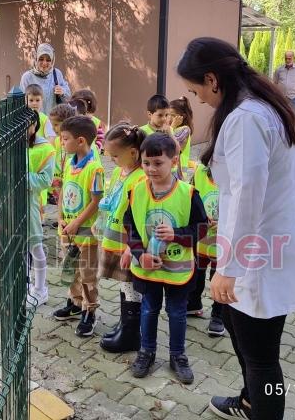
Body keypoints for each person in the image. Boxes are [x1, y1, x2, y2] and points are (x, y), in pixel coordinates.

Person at [178, 37, 295, 420]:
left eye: (196, 90)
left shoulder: (246, 118)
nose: (199, 99)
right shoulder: (257, 107)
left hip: (258, 254)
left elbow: (247, 194)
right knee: (246, 343)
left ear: (213, 79)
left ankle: (262, 406)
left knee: (262, 360)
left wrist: (229, 269)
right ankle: (250, 402)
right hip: (261, 246)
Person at [125, 133, 206, 384]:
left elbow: (202, 228)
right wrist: (140, 255)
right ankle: (146, 352)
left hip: (178, 270)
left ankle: (177, 356)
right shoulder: (136, 191)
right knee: (149, 310)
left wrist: (177, 235)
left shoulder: (189, 193)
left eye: (158, 163)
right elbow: (131, 227)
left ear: (174, 160)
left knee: (177, 312)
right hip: (148, 269)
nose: (151, 169)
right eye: (146, 163)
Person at [97, 123, 147, 353]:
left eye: (116, 156)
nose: (113, 160)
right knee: (124, 283)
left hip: (129, 245)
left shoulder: (140, 179)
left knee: (131, 285)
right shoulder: (120, 171)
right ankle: (124, 325)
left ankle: (130, 333)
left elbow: (140, 216)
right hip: (115, 239)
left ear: (133, 153)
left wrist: (131, 247)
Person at [52, 116, 104, 338]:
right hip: (67, 230)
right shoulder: (68, 161)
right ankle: (74, 303)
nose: (61, 142)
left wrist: (76, 223)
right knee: (70, 268)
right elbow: (64, 190)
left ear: (81, 140)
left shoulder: (95, 169)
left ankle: (89, 311)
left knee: (87, 274)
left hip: (85, 233)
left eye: (65, 139)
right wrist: (62, 216)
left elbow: (96, 201)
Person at [187, 163, 226, 337]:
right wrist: (200, 214)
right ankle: (193, 303)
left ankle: (218, 315)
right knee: (197, 272)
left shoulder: (236, 176)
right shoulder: (200, 172)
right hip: (201, 239)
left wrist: (225, 221)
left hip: (223, 243)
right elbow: (190, 198)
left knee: (219, 278)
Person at [27, 112, 56, 308]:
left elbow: (46, 180)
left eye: (26, 125)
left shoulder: (45, 148)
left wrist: (20, 177)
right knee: (18, 245)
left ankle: (40, 289)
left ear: (35, 125)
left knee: (35, 244)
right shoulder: (11, 144)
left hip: (31, 202)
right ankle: (27, 284)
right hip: (11, 201)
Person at [20, 43, 71, 114]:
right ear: (36, 58)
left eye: (48, 60)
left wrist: (62, 91)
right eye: (41, 59)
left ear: (52, 61)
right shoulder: (27, 77)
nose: (44, 63)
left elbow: (68, 93)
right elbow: (21, 102)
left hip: (53, 121)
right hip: (34, 121)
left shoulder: (56, 73)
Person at [47, 103, 78, 207]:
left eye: (56, 125)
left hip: (72, 181)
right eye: (52, 125)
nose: (53, 128)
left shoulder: (75, 143)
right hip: (58, 181)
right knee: (61, 202)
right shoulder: (55, 141)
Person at [273, 50, 295, 119]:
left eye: (289, 58)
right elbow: (275, 83)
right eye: (286, 58)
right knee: (282, 119)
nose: (287, 60)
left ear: (294, 58)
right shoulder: (279, 70)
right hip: (282, 99)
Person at [170, 97, 193, 175]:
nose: (169, 118)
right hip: (170, 169)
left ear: (182, 116)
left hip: (178, 171)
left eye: (173, 115)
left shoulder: (185, 130)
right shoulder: (170, 128)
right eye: (167, 114)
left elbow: (170, 146)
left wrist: (172, 127)